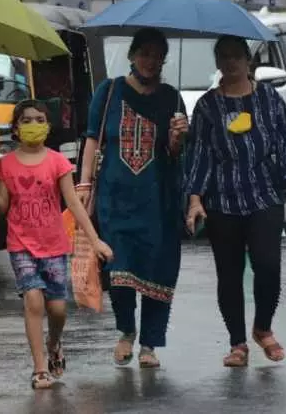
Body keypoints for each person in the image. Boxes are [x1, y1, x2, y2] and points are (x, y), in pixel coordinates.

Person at [185, 35, 286, 367]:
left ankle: (263, 328)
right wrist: (195, 199)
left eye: (236, 56)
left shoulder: (269, 99)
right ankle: (237, 343)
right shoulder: (207, 107)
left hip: (264, 194)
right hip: (222, 200)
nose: (230, 62)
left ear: (248, 60)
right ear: (217, 63)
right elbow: (199, 155)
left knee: (268, 265)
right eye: (223, 57)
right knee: (229, 273)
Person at [77, 27, 188, 369]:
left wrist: (177, 139)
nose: (151, 61)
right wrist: (83, 185)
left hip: (158, 202)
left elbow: (174, 156)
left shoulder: (172, 97)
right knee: (119, 267)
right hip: (115, 198)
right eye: (145, 54)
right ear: (132, 55)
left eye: (158, 56)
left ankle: (150, 345)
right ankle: (126, 330)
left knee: (158, 270)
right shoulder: (109, 91)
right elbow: (93, 139)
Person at [0, 100, 112, 389]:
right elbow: (3, 206)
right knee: (32, 300)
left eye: (39, 119)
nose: (33, 125)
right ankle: (39, 368)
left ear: (48, 125)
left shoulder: (57, 162)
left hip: (54, 245)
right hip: (21, 245)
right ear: (15, 128)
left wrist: (95, 240)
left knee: (58, 310)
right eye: (26, 120)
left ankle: (54, 342)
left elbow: (73, 205)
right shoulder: (5, 164)